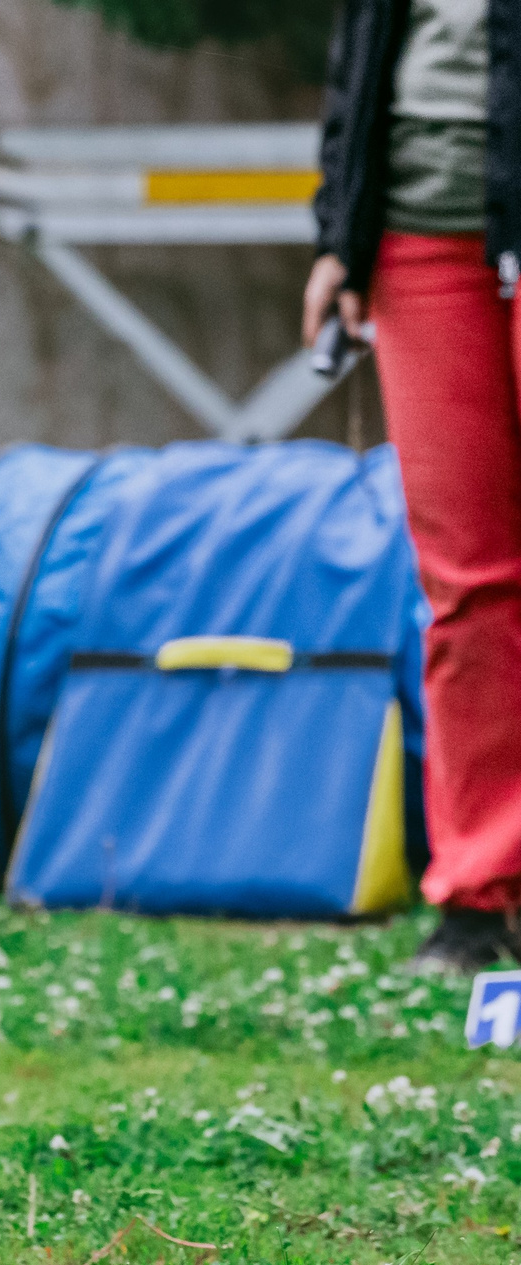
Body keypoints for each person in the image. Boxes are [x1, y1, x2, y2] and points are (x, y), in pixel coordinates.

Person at [308, 0, 521, 973]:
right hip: (418, 234)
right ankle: (479, 895)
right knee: (466, 586)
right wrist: (339, 235)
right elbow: (362, 55)